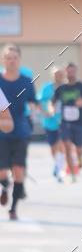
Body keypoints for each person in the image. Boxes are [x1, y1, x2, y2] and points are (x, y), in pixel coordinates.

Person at [0, 44, 39, 220]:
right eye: (8, 57)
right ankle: (4, 187)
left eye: (14, 57)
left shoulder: (26, 81)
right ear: (3, 60)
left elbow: (33, 101)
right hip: (1, 133)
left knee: (18, 169)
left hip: (21, 131)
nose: (11, 60)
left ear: (19, 60)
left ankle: (13, 208)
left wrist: (34, 108)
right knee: (2, 172)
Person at [52, 63, 82, 182]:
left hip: (79, 122)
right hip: (65, 122)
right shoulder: (61, 88)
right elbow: (52, 101)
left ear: (76, 72)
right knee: (67, 147)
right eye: (69, 72)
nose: (71, 74)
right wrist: (51, 109)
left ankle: (80, 157)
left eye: (73, 71)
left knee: (79, 148)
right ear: (66, 72)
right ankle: (73, 174)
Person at [39, 66, 66, 181]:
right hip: (49, 121)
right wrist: (45, 112)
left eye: (60, 74)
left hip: (64, 121)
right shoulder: (46, 88)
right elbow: (39, 102)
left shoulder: (66, 88)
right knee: (53, 146)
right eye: (56, 74)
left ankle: (59, 168)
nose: (58, 76)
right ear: (52, 75)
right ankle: (57, 164)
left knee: (61, 144)